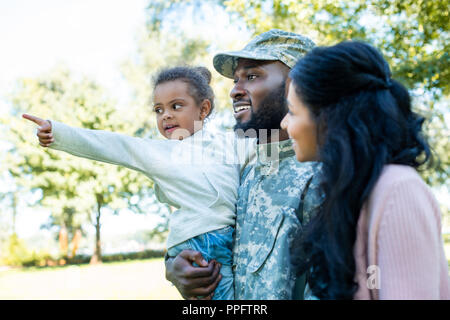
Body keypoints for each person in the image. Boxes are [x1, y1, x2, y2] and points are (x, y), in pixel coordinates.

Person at [23, 66, 256, 300]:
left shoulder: (228, 143)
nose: (165, 115)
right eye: (158, 110)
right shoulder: (159, 152)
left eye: (176, 106)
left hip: (227, 238)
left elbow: (268, 144)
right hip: (198, 244)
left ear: (203, 109)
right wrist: (58, 133)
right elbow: (114, 145)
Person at [281, 40, 450, 299]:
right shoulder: (349, 191)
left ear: (327, 119)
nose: (284, 124)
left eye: (292, 112)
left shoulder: (398, 190)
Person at [165, 29, 323, 300]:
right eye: (236, 80)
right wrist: (174, 266)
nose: (234, 91)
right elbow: (206, 228)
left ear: (299, 86)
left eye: (252, 76)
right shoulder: (241, 171)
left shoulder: (324, 177)